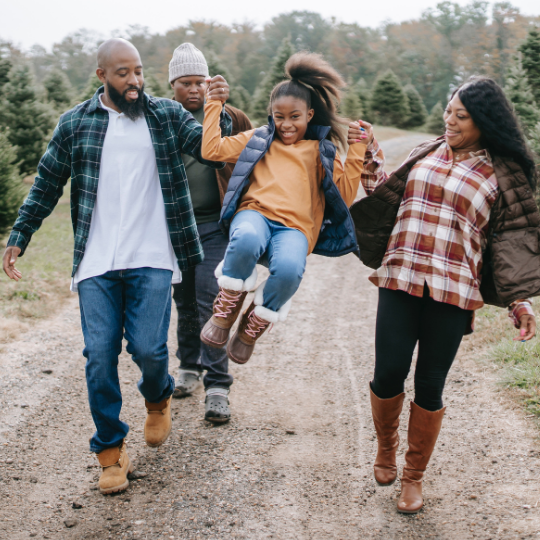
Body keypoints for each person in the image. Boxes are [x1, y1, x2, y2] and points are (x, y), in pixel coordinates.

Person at [2, 38, 232, 495]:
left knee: (149, 350)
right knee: (99, 358)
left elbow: (212, 149)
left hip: (151, 256)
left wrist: (216, 108)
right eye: (123, 73)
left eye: (139, 71)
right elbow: (47, 181)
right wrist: (20, 234)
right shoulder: (75, 123)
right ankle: (110, 452)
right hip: (97, 261)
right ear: (102, 76)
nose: (134, 81)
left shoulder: (164, 115)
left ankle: (158, 395)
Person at [350, 75, 539, 514]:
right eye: (449, 111)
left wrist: (520, 300)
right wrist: (371, 151)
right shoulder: (429, 150)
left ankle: (414, 477)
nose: (449, 120)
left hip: (453, 292)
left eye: (461, 115)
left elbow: (510, 245)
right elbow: (387, 191)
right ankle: (386, 447)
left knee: (430, 385)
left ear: (484, 122)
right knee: (387, 372)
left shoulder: (501, 174)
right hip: (401, 276)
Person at [199, 52, 369, 364]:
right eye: (279, 116)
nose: (286, 124)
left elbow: (343, 197)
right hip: (255, 215)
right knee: (247, 239)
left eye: (295, 117)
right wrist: (214, 105)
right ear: (270, 114)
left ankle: (253, 324)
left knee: (290, 271)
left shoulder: (321, 151)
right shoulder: (258, 140)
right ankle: (226, 308)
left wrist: (357, 149)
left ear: (309, 115)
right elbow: (212, 150)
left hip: (295, 229)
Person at [168, 43, 252, 423]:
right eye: (185, 83)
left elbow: (258, 158)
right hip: (174, 229)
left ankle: (217, 385)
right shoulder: (164, 118)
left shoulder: (230, 116)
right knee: (183, 301)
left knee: (212, 301)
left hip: (216, 227)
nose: (194, 90)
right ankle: (188, 366)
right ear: (173, 85)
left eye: (199, 82)